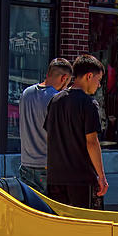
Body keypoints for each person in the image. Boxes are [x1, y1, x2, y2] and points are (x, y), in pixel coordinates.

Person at [46, 54, 108, 209]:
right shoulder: (89, 104)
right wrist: (101, 176)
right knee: (87, 227)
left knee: (59, 225)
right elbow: (92, 142)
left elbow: (50, 136)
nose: (99, 85)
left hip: (55, 178)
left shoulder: (55, 101)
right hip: (81, 179)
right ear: (89, 76)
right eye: (98, 80)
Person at [18, 58, 72, 194]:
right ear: (64, 78)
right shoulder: (57, 99)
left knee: (29, 208)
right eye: (68, 82)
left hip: (26, 163)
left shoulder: (26, 93)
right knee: (49, 210)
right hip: (48, 166)